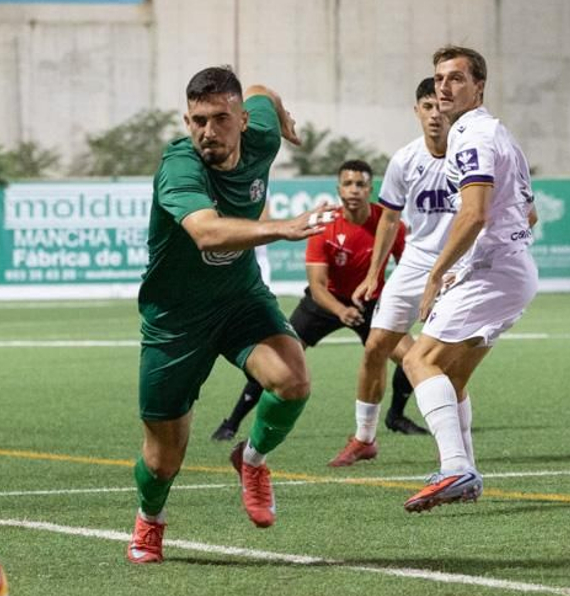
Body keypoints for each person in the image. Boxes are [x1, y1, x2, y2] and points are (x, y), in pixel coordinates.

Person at [126, 66, 331, 564]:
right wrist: (282, 229)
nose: (207, 132)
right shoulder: (180, 167)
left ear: (242, 119)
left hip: (239, 298)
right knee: (163, 459)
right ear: (186, 119)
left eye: (220, 118)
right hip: (175, 320)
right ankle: (150, 520)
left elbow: (263, 91)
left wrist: (283, 118)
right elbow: (207, 233)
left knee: (292, 379)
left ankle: (252, 459)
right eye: (197, 120)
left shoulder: (260, 134)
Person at [398, 50, 540, 512]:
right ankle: (466, 474)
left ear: (479, 86)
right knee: (453, 375)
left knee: (418, 359)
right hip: (509, 267)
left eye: (456, 79)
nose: (443, 87)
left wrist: (436, 275)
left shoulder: (472, 137)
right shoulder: (495, 132)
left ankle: (456, 467)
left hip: (494, 270)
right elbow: (529, 211)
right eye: (439, 78)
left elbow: (474, 213)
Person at [210, 158, 424, 444]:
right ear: (338, 189)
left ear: (369, 188)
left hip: (371, 302)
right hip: (324, 303)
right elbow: (317, 286)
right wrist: (341, 310)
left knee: (412, 357)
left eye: (360, 184)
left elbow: (406, 266)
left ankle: (396, 415)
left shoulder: (389, 223)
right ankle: (231, 422)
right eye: (348, 183)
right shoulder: (326, 226)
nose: (354, 190)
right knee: (278, 360)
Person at [335, 70, 473, 467]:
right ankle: (364, 438)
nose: (435, 114)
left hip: (458, 267)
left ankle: (456, 456)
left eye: (440, 106)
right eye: (427, 106)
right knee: (375, 346)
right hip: (415, 264)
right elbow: (390, 220)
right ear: (416, 111)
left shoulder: (470, 156)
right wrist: (374, 272)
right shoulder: (405, 159)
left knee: (450, 367)